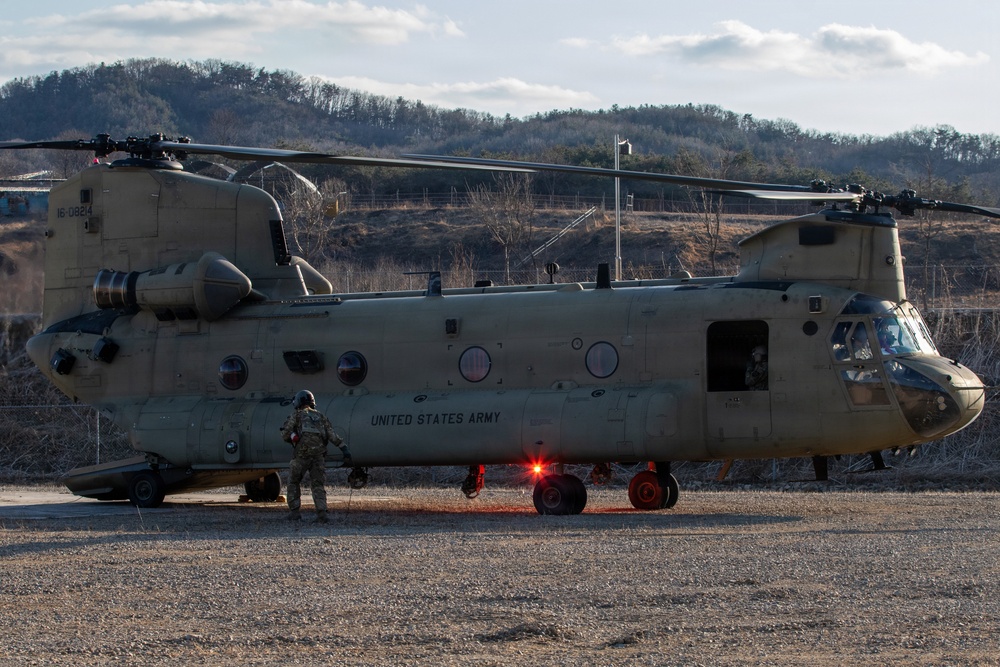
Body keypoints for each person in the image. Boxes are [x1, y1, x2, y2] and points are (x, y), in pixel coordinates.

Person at [280, 390, 352, 523]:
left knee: (293, 482)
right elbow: (332, 435)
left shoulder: (297, 415)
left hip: (302, 455)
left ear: (298, 402)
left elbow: (285, 434)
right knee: (318, 484)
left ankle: (294, 513)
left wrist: (291, 438)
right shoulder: (320, 416)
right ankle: (322, 514)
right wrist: (344, 448)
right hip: (318, 457)